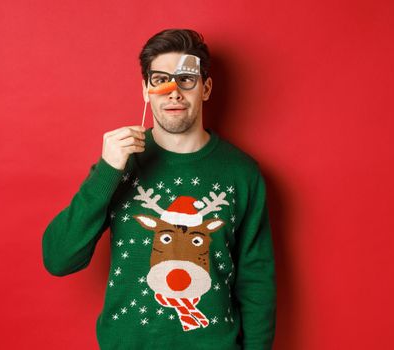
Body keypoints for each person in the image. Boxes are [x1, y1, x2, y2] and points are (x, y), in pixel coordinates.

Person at [42, 28, 277, 349]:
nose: (174, 92)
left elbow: (257, 281)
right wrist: (107, 171)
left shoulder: (241, 172)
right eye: (161, 80)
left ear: (205, 88)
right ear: (146, 90)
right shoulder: (118, 165)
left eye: (186, 79)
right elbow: (58, 259)